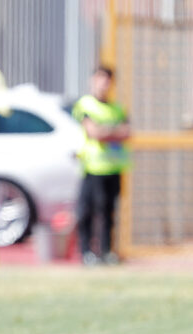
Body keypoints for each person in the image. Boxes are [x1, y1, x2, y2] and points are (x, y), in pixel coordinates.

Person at [72, 66, 130, 266]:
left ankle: (106, 252)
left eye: (107, 80)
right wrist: (111, 131)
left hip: (113, 168)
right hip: (92, 168)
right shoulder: (86, 104)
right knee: (87, 211)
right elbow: (93, 132)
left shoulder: (117, 108)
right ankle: (87, 252)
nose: (104, 84)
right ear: (93, 80)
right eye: (100, 79)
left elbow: (127, 132)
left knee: (108, 213)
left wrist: (106, 131)